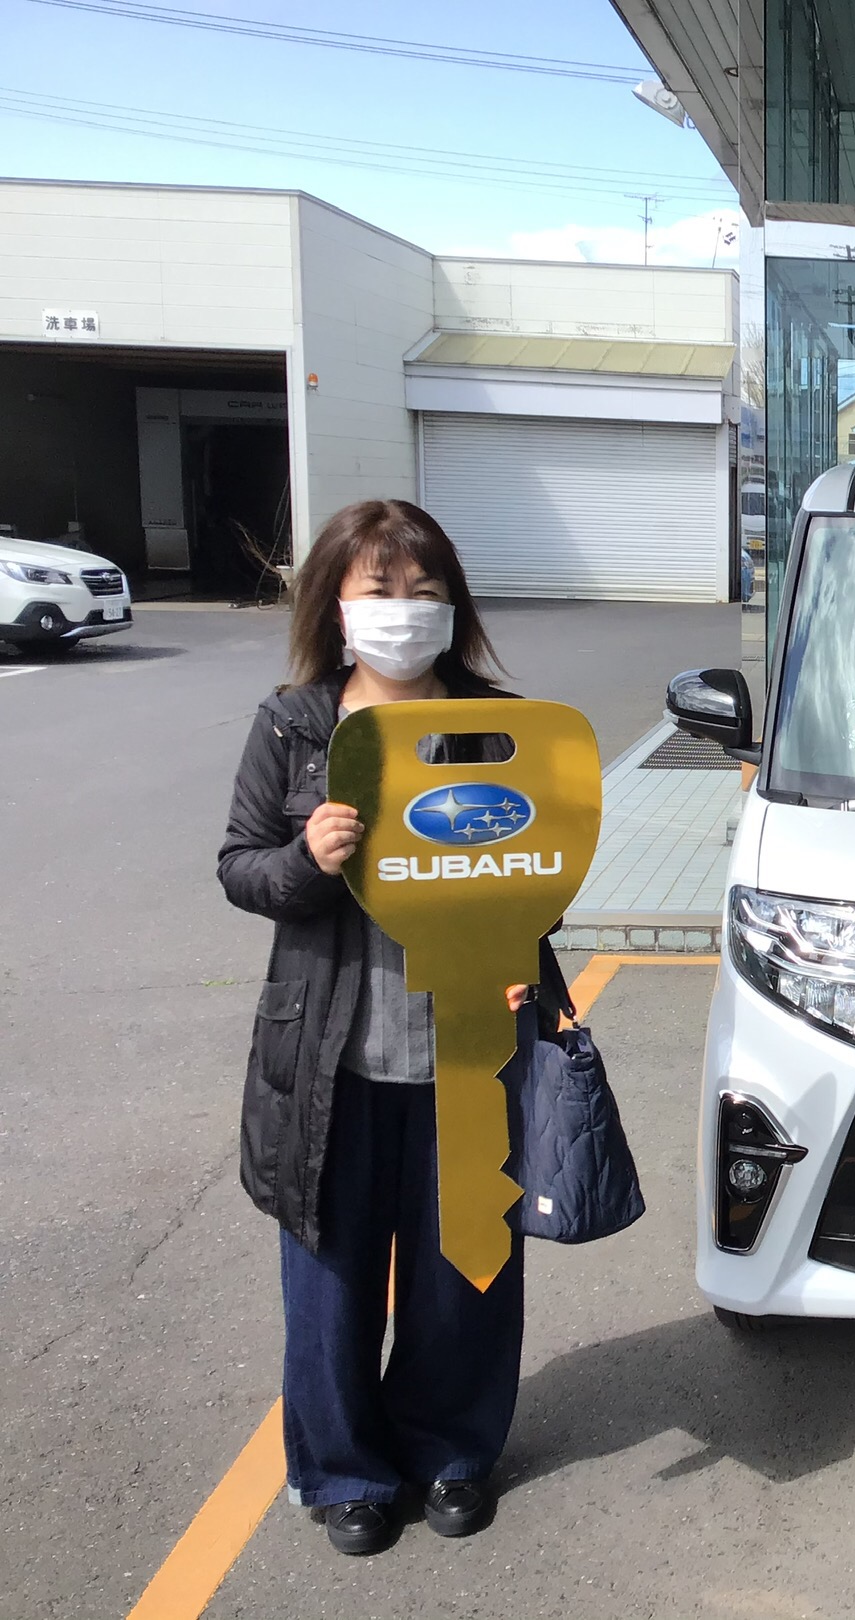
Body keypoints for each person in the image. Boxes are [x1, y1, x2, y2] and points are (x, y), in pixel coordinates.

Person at [218, 499, 558, 1556]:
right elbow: (239, 866)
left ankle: (451, 1450)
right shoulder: (294, 726)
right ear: (337, 602)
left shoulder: (502, 724)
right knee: (330, 1277)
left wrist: (523, 954)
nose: (403, 611)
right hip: (332, 1053)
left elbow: (542, 870)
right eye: (381, 589)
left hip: (468, 1045)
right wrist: (303, 861)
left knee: (466, 1269)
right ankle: (344, 1471)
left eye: (424, 590)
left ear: (453, 605)